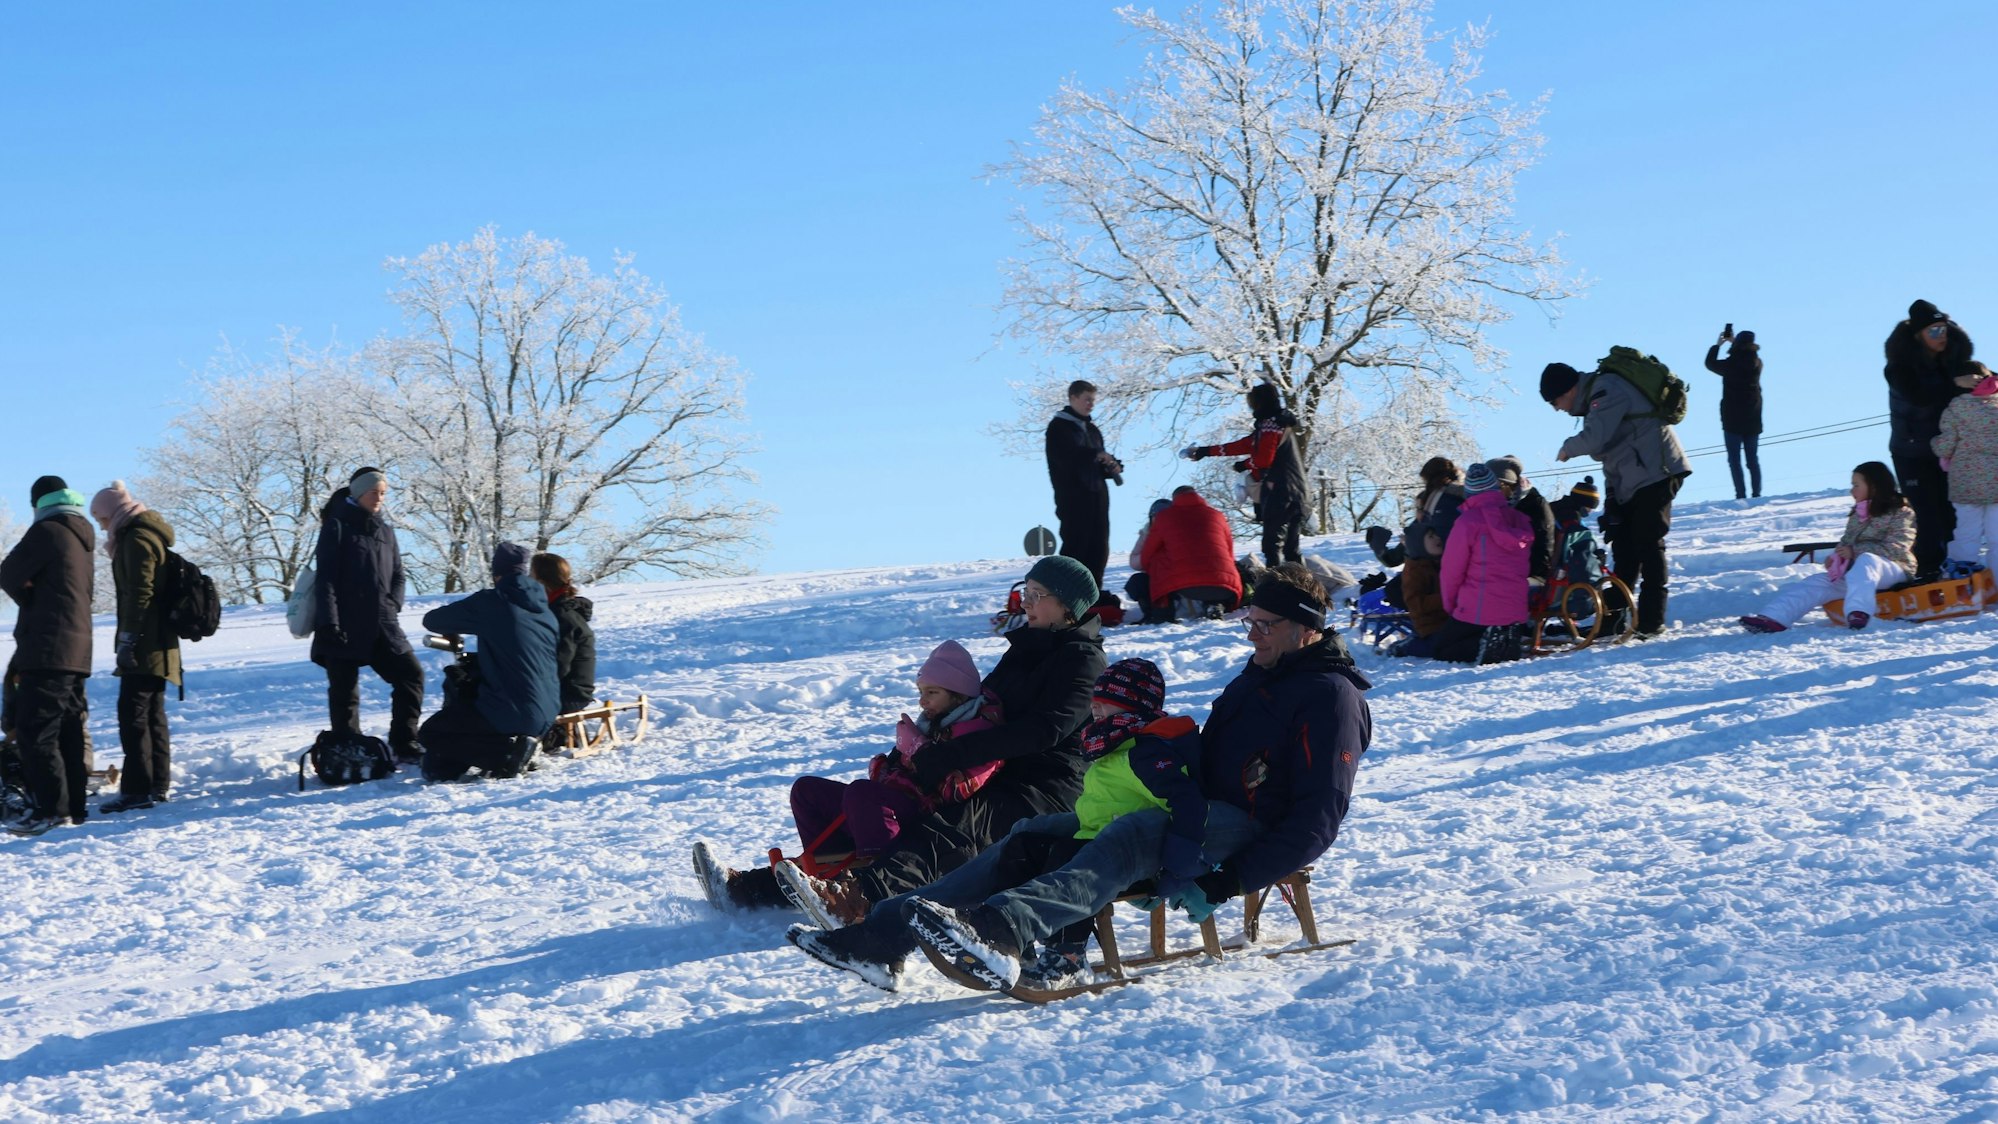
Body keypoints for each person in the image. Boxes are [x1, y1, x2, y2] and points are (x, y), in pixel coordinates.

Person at [787, 565, 1371, 995]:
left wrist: (1226, 883)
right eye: (1252, 621)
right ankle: (879, 941)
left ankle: (998, 930)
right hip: (1191, 808)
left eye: (1265, 624)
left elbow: (1319, 818)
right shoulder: (1262, 674)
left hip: (1247, 830)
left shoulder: (1330, 698)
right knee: (1031, 834)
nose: (1252, 634)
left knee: (1129, 836)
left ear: (1306, 628)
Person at [772, 554, 1107, 928]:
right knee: (894, 801)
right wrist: (924, 742)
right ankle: (780, 886)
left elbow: (1044, 731)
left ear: (1066, 605)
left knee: (948, 827)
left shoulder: (1083, 661)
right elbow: (978, 706)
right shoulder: (1026, 649)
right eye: (1023, 591)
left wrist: (951, 755)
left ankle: (862, 901)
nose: (1024, 601)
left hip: (1043, 788)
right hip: (991, 770)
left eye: (1036, 593)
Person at [1543, 360, 1693, 638]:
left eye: (1556, 401)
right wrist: (1612, 495)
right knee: (1623, 547)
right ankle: (1612, 620)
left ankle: (1651, 621)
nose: (1558, 408)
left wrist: (1567, 448)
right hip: (1632, 481)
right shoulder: (1594, 402)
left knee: (1648, 545)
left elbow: (1596, 439)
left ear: (1570, 389)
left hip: (1657, 473)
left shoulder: (1606, 389)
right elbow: (1613, 453)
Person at [0, 476, 96, 835]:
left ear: (38, 504)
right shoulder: (81, 534)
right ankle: (73, 809)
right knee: (68, 728)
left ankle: (51, 811)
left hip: (46, 645)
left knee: (35, 731)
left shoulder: (47, 531)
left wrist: (29, 598)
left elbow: (8, 573)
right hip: (78, 647)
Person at [417, 542, 560, 781]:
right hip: (547, 712)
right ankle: (513, 747)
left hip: (509, 709)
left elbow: (433, 620)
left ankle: (508, 755)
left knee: (432, 733)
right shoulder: (545, 611)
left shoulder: (493, 601)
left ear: (496, 574)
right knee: (439, 766)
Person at [311, 467, 424, 762]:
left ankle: (404, 741)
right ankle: (349, 750)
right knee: (345, 692)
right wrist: (329, 622)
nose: (379, 498)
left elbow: (398, 573)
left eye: (384, 493)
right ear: (359, 493)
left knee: (411, 675)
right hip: (344, 623)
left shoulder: (385, 530)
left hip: (384, 622)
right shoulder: (336, 526)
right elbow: (327, 580)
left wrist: (393, 604)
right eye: (374, 492)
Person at [89, 482, 180, 814]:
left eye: (100, 518)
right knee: (152, 715)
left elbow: (139, 593)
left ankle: (139, 789)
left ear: (112, 512)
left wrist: (128, 638)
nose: (101, 526)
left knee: (134, 716)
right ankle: (157, 785)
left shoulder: (136, 538)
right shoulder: (144, 534)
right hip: (156, 643)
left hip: (145, 644)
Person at [1741, 462, 1915, 633]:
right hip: (1859, 575)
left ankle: (1859, 612)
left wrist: (1855, 552)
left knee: (1866, 560)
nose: (1851, 490)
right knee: (1818, 582)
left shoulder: (1901, 511)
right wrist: (1837, 558)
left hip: (1893, 569)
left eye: (1856, 485)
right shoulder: (1858, 514)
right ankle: (1774, 619)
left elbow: (1898, 547)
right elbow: (1846, 542)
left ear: (1874, 486)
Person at [1884, 300, 1979, 576]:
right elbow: (1919, 396)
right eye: (1934, 331)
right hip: (1911, 453)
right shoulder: (1898, 368)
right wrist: (1954, 385)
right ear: (1918, 336)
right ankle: (1926, 570)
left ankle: (1957, 568)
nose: (1942, 336)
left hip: (1948, 452)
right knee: (1925, 515)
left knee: (1952, 514)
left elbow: (1983, 379)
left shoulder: (1955, 362)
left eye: (1943, 329)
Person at [1182, 383, 1308, 567]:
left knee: (1272, 546)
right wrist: (1205, 451)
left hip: (1281, 492)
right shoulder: (1277, 424)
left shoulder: (1269, 425)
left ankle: (1276, 588)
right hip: (1299, 492)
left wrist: (1245, 464)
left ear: (1257, 403)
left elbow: (1263, 459)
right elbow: (1243, 445)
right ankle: (1302, 589)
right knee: (1291, 548)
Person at [1433, 461, 1535, 664]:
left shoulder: (1467, 522)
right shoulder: (1519, 520)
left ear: (1469, 493)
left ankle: (1484, 643)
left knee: (1441, 648)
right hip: (1515, 609)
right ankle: (1503, 641)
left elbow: (1452, 572)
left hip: (1478, 608)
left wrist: (1451, 605)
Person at [1365, 457, 1464, 655]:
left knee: (1398, 591)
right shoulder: (1463, 498)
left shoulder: (1434, 505)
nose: (1418, 512)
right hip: (1460, 570)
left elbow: (1394, 559)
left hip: (1435, 573)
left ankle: (1426, 632)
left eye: (1418, 508)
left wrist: (1380, 548)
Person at [1044, 380, 1123, 586]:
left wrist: (1112, 466)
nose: (1091, 404)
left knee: (1099, 547)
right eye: (1087, 399)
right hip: (1073, 497)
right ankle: (1067, 594)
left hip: (1098, 495)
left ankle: (1093, 593)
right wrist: (1096, 455)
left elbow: (1093, 462)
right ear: (1073, 398)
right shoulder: (1059, 427)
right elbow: (1068, 458)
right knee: (1077, 545)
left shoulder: (1093, 430)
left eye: (1093, 400)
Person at [1129, 486, 1242, 621]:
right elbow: (1230, 554)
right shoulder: (1217, 515)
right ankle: (1215, 605)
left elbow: (1146, 557)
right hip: (1228, 587)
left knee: (1158, 562)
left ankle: (1162, 612)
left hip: (1185, 586)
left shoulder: (1166, 518)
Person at [1932, 363, 1998, 579]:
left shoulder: (1956, 408)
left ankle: (1963, 581)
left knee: (1967, 533)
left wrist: (1934, 443)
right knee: (1996, 537)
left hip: (1966, 483)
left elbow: (1946, 445)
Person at [530, 552, 596, 716]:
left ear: (541, 582)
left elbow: (560, 664)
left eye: (530, 575)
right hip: (563, 689)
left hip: (570, 694)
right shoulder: (556, 611)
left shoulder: (562, 617)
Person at [1705, 327, 1765, 499]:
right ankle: (1757, 494)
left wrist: (1718, 345)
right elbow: (1744, 354)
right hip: (1753, 417)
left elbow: (1710, 363)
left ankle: (1740, 494)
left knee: (1734, 460)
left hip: (1732, 419)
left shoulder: (1731, 364)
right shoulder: (1757, 363)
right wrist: (1734, 343)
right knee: (1752, 460)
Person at [1486, 455, 1556, 589]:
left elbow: (1543, 548)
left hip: (1531, 574)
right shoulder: (1500, 506)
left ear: (1504, 484)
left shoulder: (1534, 505)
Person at [1122, 498, 1174, 622]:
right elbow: (1134, 561)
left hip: (1175, 580)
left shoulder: (1178, 534)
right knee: (1136, 582)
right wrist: (1149, 555)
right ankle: (1150, 612)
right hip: (1154, 576)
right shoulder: (1146, 533)